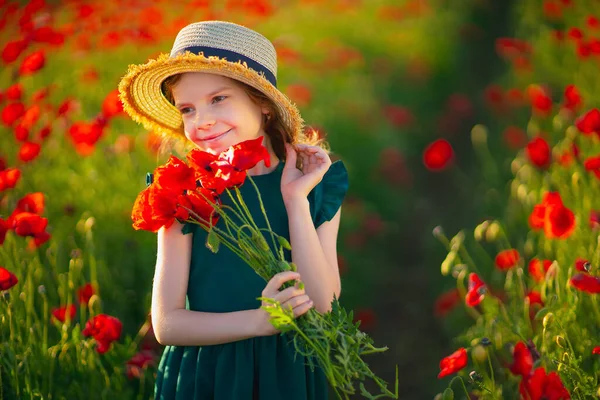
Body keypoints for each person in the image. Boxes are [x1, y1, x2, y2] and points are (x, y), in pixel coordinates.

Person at [118, 20, 349, 399]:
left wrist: (295, 202)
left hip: (286, 372)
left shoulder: (316, 184)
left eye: (218, 99)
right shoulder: (182, 191)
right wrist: (260, 321)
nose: (202, 121)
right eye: (187, 109)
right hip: (206, 375)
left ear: (264, 104)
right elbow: (166, 324)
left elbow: (323, 305)